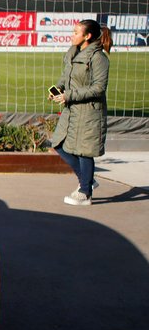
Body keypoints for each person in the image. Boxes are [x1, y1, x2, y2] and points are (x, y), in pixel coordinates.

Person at [49, 19, 111, 206]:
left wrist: (70, 95)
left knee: (84, 151)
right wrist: (58, 89)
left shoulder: (99, 58)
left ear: (87, 36)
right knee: (58, 144)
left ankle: (85, 193)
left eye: (76, 32)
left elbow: (99, 88)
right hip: (71, 109)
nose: (72, 35)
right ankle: (88, 180)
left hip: (89, 111)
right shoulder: (72, 52)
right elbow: (66, 75)